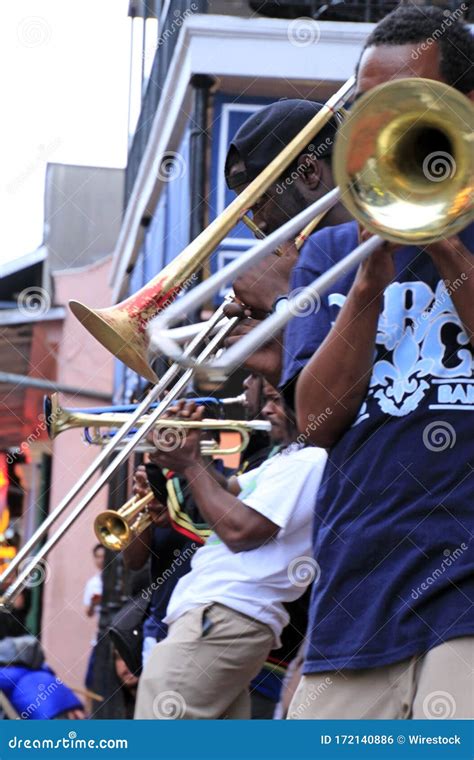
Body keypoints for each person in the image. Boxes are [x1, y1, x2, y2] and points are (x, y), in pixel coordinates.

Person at [280, 4, 474, 719]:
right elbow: (316, 421)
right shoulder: (332, 255)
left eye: (409, 103)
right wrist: (368, 280)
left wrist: (446, 236)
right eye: (370, 106)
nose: (386, 123)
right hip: (358, 594)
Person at [134, 389, 327, 719]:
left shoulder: (313, 460)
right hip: (226, 616)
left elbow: (240, 531)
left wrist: (191, 462)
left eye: (276, 401)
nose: (265, 409)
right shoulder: (285, 460)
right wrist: (186, 455)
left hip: (224, 612)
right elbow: (226, 491)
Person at [223, 98, 351, 385]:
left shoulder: (386, 252)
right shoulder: (321, 267)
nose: (261, 225)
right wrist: (283, 364)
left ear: (308, 172)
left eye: (262, 201)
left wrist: (285, 300)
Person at [83, 544, 105, 693]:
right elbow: (88, 612)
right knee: (90, 681)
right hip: (99, 635)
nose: (101, 560)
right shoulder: (93, 583)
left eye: (103, 556)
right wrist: (93, 602)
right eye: (98, 556)